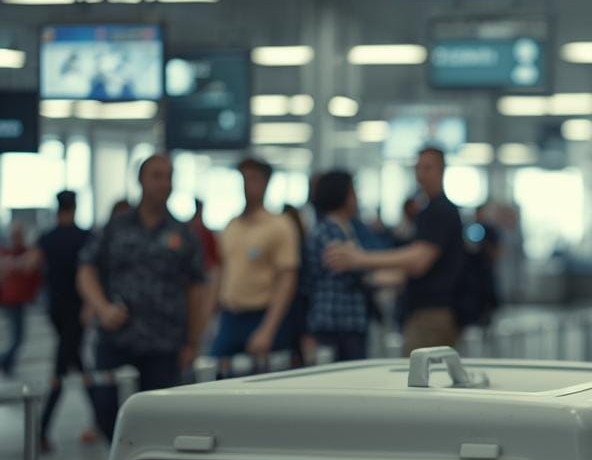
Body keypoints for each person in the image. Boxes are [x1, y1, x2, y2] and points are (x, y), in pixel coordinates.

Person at [78, 153, 205, 441]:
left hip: (163, 344)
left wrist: (193, 340)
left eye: (168, 176)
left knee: (159, 424)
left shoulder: (183, 235)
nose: (164, 183)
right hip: (116, 340)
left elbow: (197, 288)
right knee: (107, 415)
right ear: (141, 180)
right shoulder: (114, 227)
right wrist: (101, 307)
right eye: (156, 176)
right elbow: (85, 269)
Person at [324, 147, 464, 352]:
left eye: (428, 168)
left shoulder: (440, 210)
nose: (421, 174)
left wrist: (360, 259)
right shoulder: (426, 210)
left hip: (433, 312)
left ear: (442, 170)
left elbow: (419, 261)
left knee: (421, 378)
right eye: (418, 167)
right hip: (421, 310)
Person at [211, 157, 300, 362]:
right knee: (215, 373)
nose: (247, 185)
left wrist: (268, 329)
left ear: (266, 183)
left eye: (253, 179)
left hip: (261, 315)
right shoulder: (232, 225)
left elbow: (287, 280)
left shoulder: (280, 226)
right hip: (230, 317)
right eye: (244, 179)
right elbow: (221, 272)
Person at [35, 191, 96, 450]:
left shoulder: (47, 238)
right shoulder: (85, 237)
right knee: (67, 367)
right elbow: (95, 272)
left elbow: (33, 265)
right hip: (76, 310)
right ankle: (42, 432)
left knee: (74, 364)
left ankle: (43, 431)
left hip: (56, 311)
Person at [301, 171, 372, 362]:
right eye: (353, 192)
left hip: (351, 321)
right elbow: (356, 271)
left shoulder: (349, 228)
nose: (357, 197)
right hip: (333, 323)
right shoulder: (326, 233)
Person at [0, 223, 38, 377]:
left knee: (18, 337)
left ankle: (7, 363)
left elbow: (33, 275)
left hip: (18, 300)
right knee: (18, 337)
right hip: (11, 301)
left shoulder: (26, 252)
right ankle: (4, 361)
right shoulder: (6, 253)